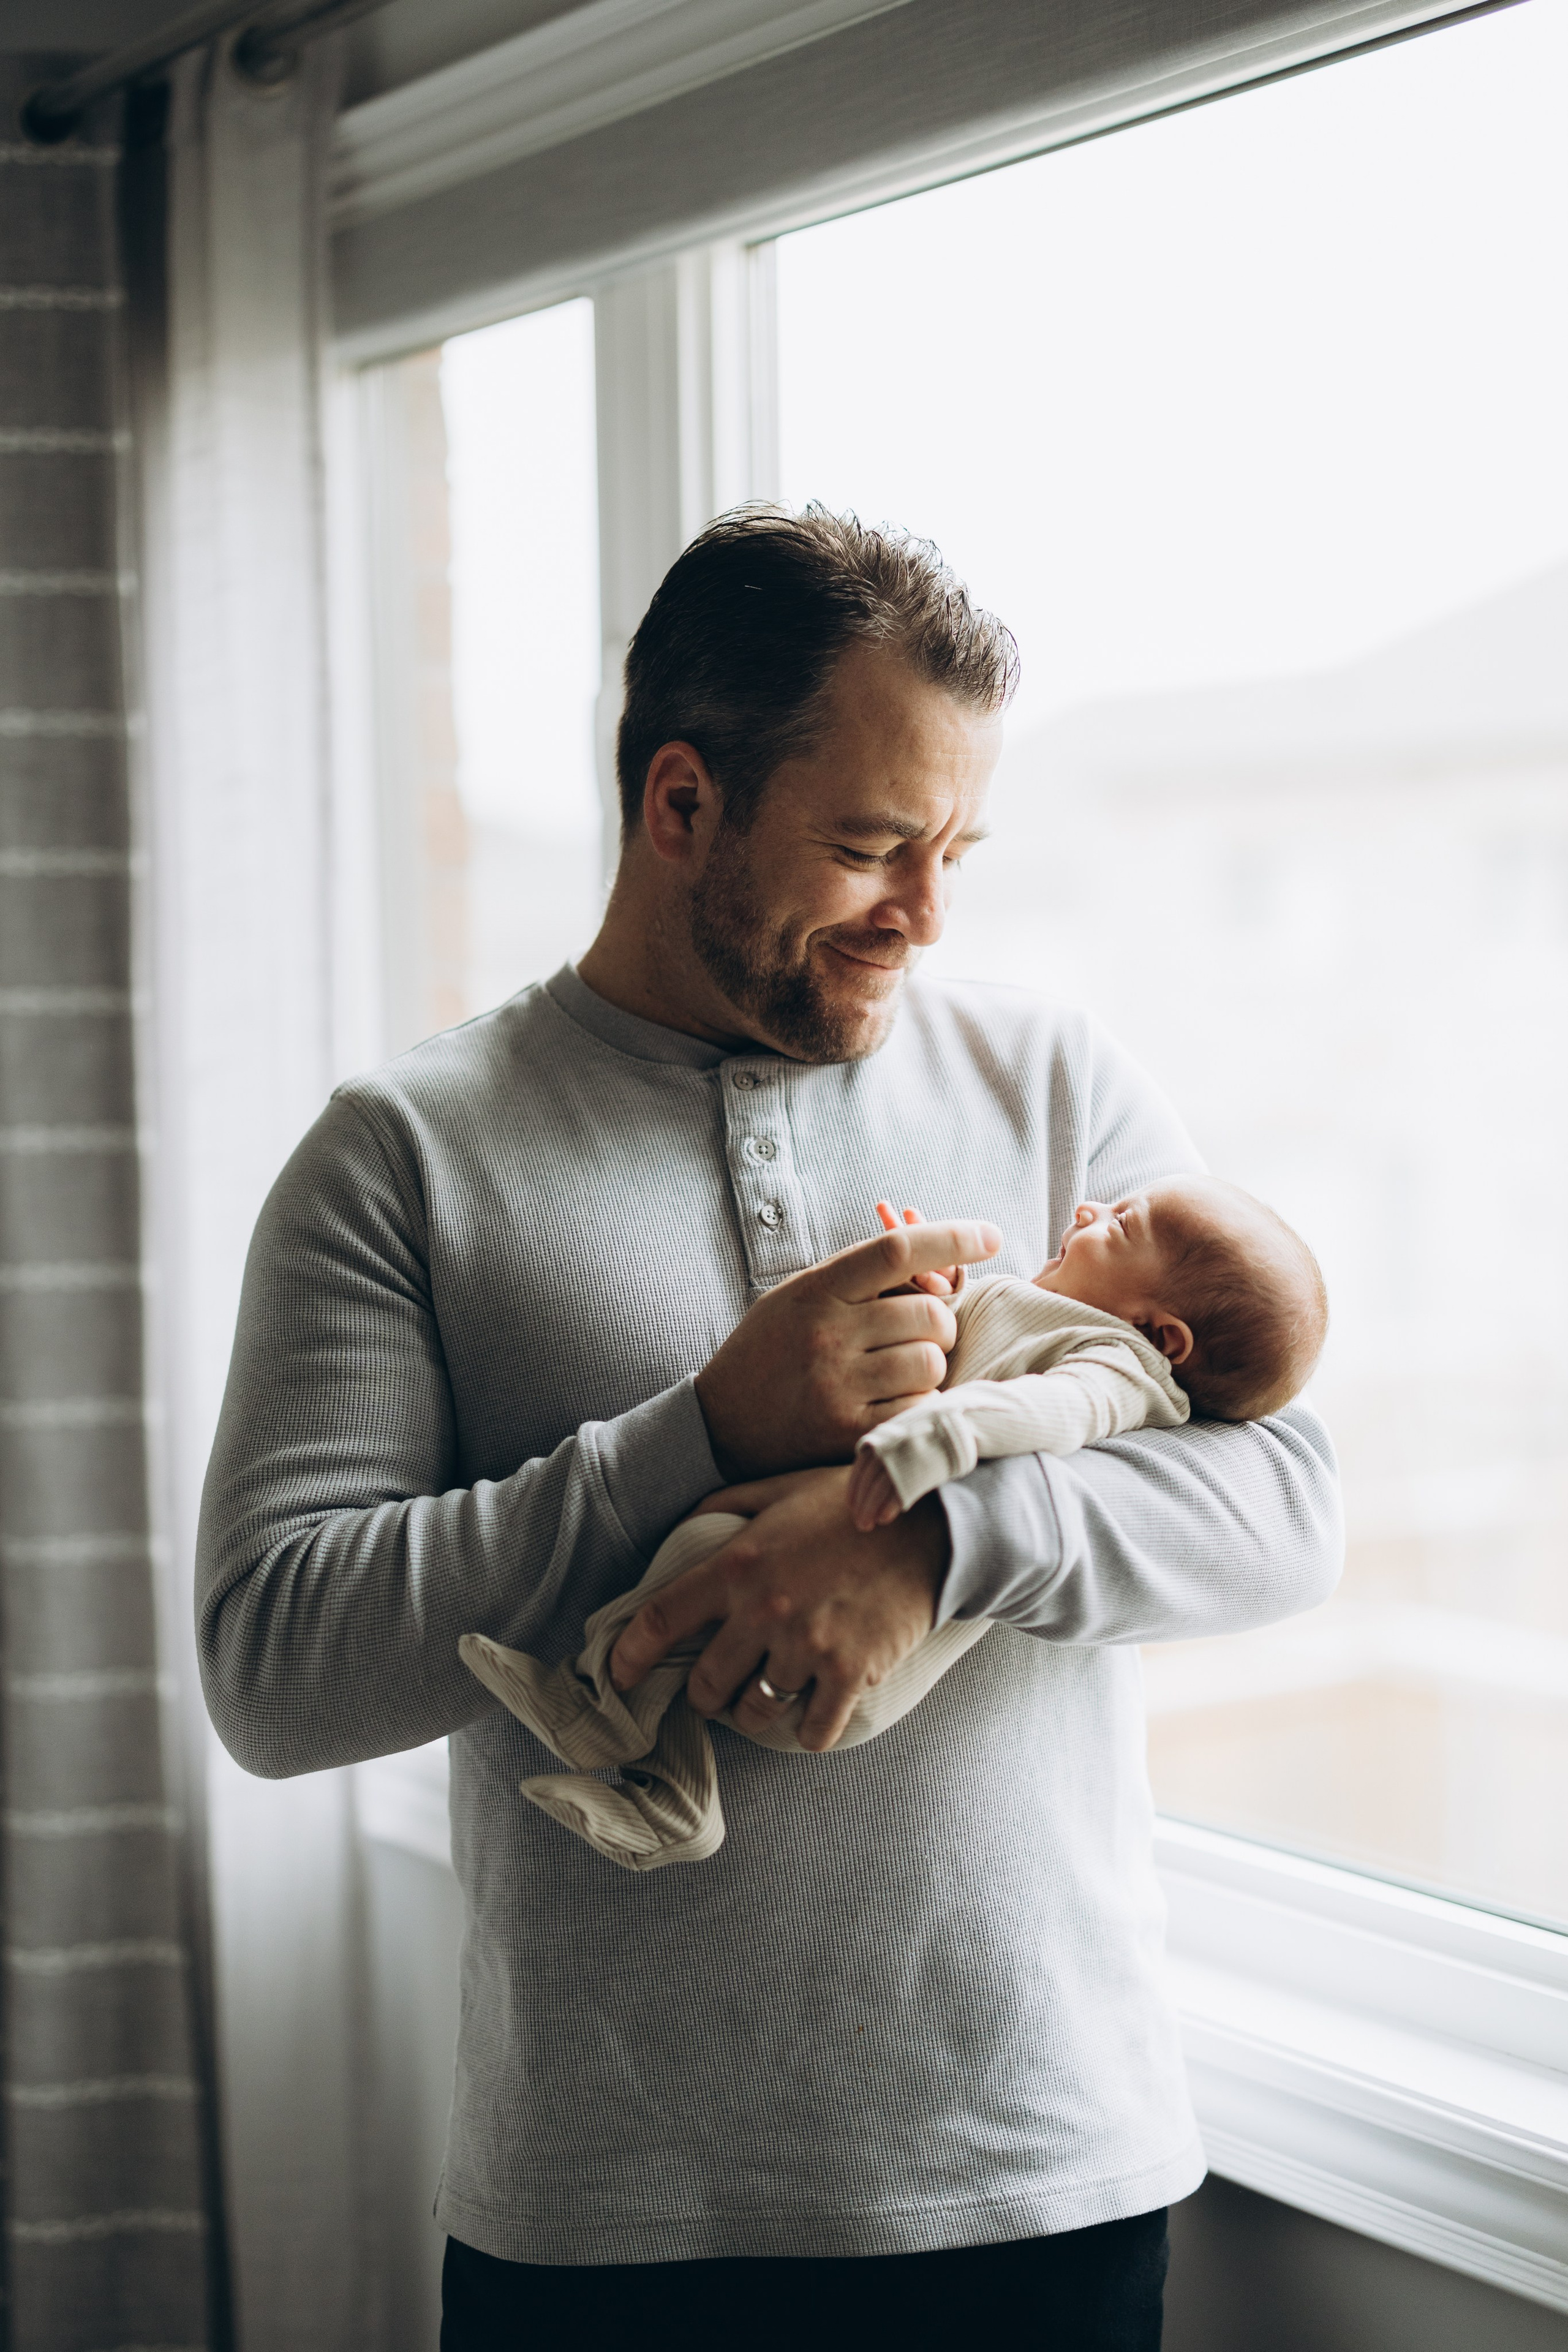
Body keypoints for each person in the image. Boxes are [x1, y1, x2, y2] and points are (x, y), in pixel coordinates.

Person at [196, 506, 1341, 2351]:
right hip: (607, 2228)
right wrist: (699, 1436)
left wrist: (936, 1544)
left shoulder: (1056, 1084)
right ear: (681, 803)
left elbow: (1284, 1506)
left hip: (1042, 2179)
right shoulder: (401, 1158)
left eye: (956, 851)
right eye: (873, 847)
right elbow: (274, 1670)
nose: (927, 916)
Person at [459, 1174, 1329, 1872]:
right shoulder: (1043, 1306)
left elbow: (1049, 1410)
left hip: (853, 1667)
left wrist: (940, 1461)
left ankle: (596, 1704)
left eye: (1121, 1224)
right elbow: (951, 1362)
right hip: (817, 1582)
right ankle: (673, 1795)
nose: (1088, 1208)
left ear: (1162, 1334)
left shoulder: (1121, 1367)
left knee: (703, 1550)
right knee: (704, 1549)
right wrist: (929, 1304)